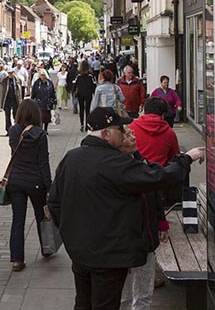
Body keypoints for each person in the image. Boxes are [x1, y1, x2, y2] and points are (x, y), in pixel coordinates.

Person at [48, 107, 204, 310]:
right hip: (108, 257)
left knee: (83, 303)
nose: (125, 132)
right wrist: (186, 158)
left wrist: (71, 235)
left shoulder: (71, 158)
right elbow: (158, 177)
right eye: (120, 129)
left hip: (80, 253)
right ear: (105, 134)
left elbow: (54, 202)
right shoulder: (114, 163)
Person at [118, 126, 169, 310]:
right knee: (123, 296)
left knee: (143, 294)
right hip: (121, 243)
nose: (133, 136)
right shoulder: (112, 168)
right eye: (128, 134)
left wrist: (161, 223)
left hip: (146, 239)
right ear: (116, 140)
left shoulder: (142, 162)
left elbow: (155, 194)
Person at [6, 99, 52, 272]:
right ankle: (47, 248)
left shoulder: (13, 131)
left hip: (16, 180)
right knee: (42, 216)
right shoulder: (40, 134)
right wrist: (49, 185)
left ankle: (16, 260)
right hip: (35, 182)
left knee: (17, 220)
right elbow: (43, 163)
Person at [130, 97, 180, 166]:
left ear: (145, 111)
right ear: (163, 115)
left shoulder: (131, 128)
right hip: (160, 173)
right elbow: (175, 158)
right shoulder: (169, 133)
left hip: (136, 171)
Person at [30, 68, 57, 132]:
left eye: (44, 75)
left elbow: (53, 92)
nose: (42, 76)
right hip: (39, 103)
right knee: (40, 117)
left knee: (47, 117)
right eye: (41, 75)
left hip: (47, 103)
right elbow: (33, 92)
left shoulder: (49, 83)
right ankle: (40, 129)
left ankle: (45, 129)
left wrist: (54, 100)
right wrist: (32, 100)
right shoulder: (37, 83)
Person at [73, 60, 96, 132]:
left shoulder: (78, 75)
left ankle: (82, 124)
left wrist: (74, 91)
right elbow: (94, 84)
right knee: (88, 110)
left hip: (80, 94)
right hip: (88, 94)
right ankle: (87, 124)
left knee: (81, 109)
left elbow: (74, 83)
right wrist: (94, 92)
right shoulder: (90, 75)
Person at [1, 68, 23, 135]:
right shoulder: (5, 80)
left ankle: (16, 129)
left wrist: (20, 100)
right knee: (7, 116)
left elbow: (20, 91)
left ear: (14, 73)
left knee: (16, 115)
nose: (10, 74)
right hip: (7, 100)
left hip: (15, 100)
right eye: (9, 73)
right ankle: (8, 130)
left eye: (11, 73)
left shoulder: (18, 80)